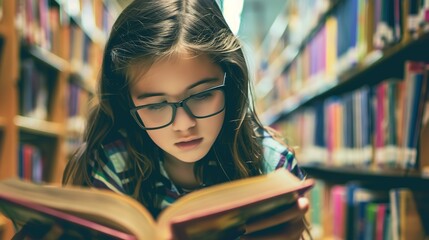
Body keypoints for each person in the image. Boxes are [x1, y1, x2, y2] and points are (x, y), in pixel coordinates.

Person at [36, 0, 311, 239]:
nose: (183, 124)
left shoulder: (274, 167)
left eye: (202, 95)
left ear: (230, 85)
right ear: (127, 101)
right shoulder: (113, 165)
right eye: (156, 105)